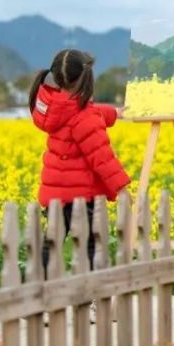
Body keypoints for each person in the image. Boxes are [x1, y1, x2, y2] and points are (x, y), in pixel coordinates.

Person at [28, 49, 130, 274]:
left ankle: (37, 286)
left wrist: (115, 113)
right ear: (86, 78)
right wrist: (121, 189)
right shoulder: (84, 116)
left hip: (56, 193)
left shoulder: (55, 106)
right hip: (80, 196)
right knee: (91, 245)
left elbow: (90, 113)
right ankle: (90, 295)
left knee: (52, 242)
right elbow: (102, 157)